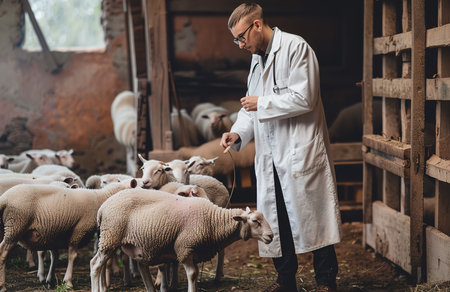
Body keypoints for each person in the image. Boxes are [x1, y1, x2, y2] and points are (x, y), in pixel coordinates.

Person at [220, 3, 342, 292]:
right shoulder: (256, 59)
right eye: (236, 39)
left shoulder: (296, 48)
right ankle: (285, 281)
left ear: (258, 25)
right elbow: (249, 111)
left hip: (299, 150)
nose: (240, 45)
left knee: (315, 215)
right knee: (276, 218)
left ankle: (325, 282)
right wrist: (237, 133)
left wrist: (261, 103)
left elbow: (306, 97)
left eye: (241, 37)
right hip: (271, 155)